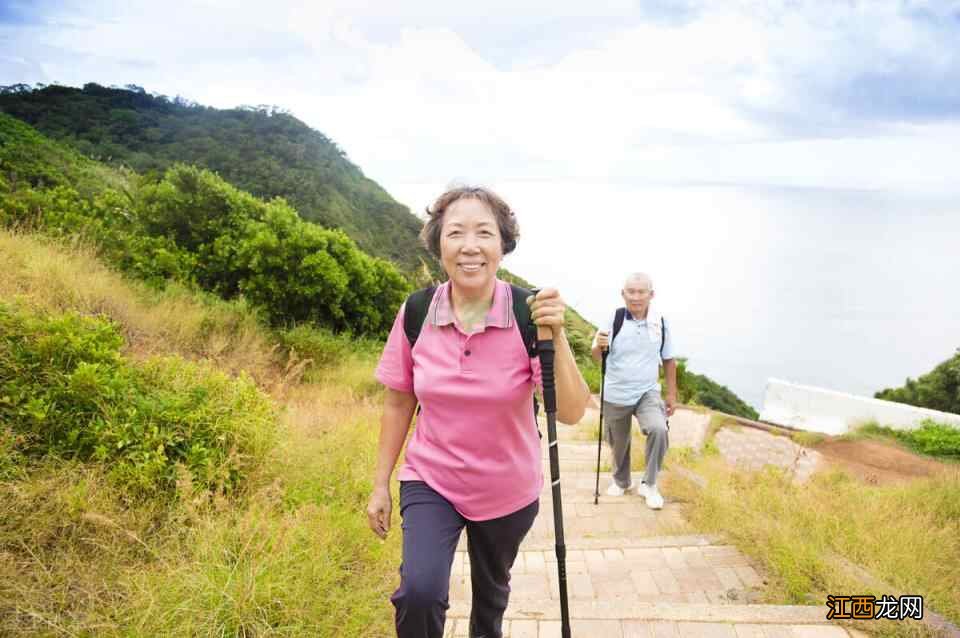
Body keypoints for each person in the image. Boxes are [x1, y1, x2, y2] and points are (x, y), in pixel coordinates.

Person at [367, 185, 590, 638]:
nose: (470, 246)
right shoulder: (416, 312)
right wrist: (380, 485)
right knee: (419, 592)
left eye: (484, 233)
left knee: (490, 602)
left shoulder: (528, 313)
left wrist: (557, 335)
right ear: (438, 244)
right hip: (432, 478)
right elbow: (398, 400)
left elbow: (569, 412)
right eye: (455, 233)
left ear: (503, 245)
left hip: (507, 488)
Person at [591, 272, 677, 509]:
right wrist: (599, 347)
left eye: (641, 292)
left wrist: (671, 394)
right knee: (618, 443)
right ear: (623, 294)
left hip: (647, 392)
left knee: (659, 429)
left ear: (651, 295)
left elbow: (669, 360)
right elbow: (597, 358)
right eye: (631, 292)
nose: (636, 297)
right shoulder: (614, 319)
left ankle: (649, 484)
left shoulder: (661, 322)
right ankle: (621, 481)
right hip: (616, 392)